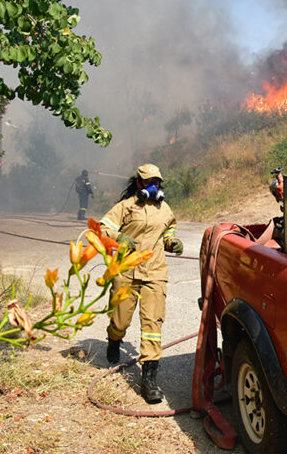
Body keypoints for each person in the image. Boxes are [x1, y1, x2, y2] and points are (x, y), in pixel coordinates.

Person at [99, 163, 184, 403]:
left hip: (154, 272)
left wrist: (172, 242)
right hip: (126, 271)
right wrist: (119, 237)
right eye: (148, 182)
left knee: (152, 325)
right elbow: (102, 229)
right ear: (139, 183)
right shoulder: (125, 207)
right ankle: (114, 339)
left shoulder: (164, 209)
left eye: (156, 182)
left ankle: (149, 382)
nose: (153, 186)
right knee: (120, 320)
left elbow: (169, 231)